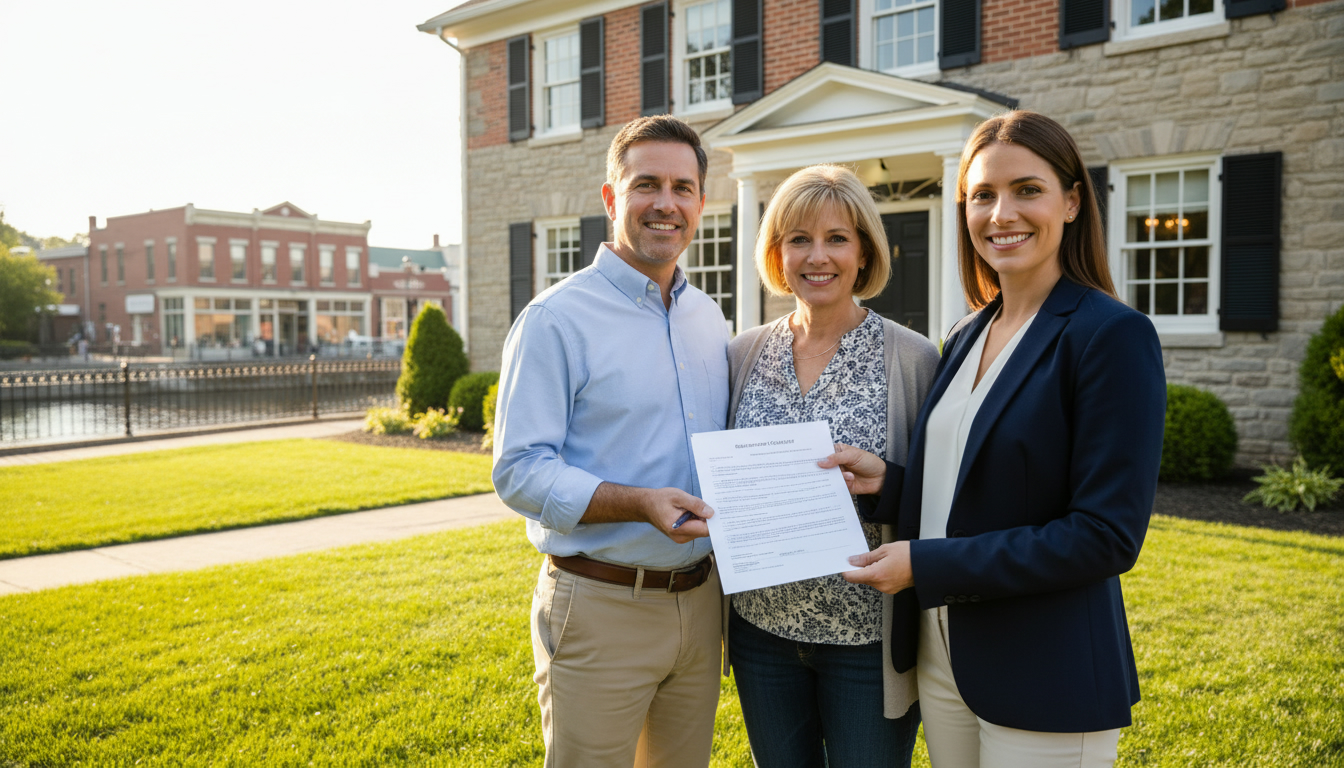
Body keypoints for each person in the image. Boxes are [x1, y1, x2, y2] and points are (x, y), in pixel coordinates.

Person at [825, 110, 1166, 767]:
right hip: (943, 654)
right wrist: (887, 483)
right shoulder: (967, 333)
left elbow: (1105, 535)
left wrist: (925, 565)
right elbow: (972, 485)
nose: (1001, 213)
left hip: (1046, 668)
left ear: (1071, 201)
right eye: (982, 195)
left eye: (1027, 190)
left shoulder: (1110, 335)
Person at [492, 115, 730, 768]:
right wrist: (638, 503)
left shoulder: (710, 318)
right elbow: (518, 470)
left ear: (701, 204)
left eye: (683, 188)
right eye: (646, 184)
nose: (666, 203)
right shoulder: (556, 319)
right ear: (610, 198)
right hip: (600, 605)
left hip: (701, 602)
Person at [725, 164, 939, 767]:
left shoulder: (914, 360)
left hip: (865, 641)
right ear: (777, 253)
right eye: (799, 239)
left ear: (865, 252)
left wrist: (886, 480)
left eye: (837, 238)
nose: (818, 256)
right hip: (761, 630)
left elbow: (944, 495)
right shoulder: (741, 354)